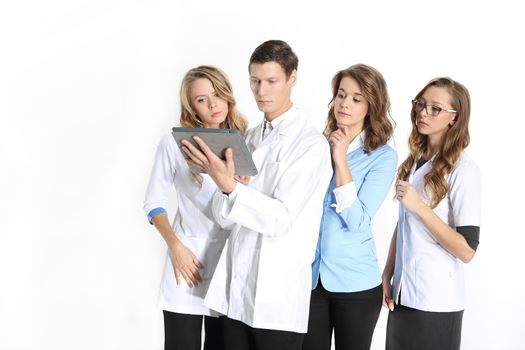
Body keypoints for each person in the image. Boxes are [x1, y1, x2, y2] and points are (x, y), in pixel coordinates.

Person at [180, 40, 333, 350]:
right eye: (255, 80)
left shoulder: (310, 145)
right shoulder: (248, 137)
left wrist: (232, 187)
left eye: (271, 81)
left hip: (275, 300)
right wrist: (223, 183)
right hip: (237, 294)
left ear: (293, 78)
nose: (261, 90)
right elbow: (224, 218)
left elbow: (281, 218)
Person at [143, 65, 248, 350]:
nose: (213, 104)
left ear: (228, 94)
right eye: (202, 99)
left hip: (232, 265)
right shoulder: (174, 144)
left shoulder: (246, 139)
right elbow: (153, 203)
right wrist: (176, 247)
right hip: (187, 264)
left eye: (217, 94)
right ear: (192, 107)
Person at [302, 64, 397, 350]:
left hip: (355, 285)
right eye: (341, 95)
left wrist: (341, 160)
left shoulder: (382, 157)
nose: (345, 103)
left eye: (356, 99)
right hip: (310, 281)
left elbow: (356, 221)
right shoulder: (317, 146)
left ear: (372, 106)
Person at [382, 77, 481, 350]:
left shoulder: (464, 171)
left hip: (436, 302)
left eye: (435, 108)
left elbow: (467, 250)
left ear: (454, 118)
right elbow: (404, 224)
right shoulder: (415, 161)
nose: (423, 112)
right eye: (420, 104)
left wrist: (420, 208)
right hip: (403, 297)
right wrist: (387, 274)